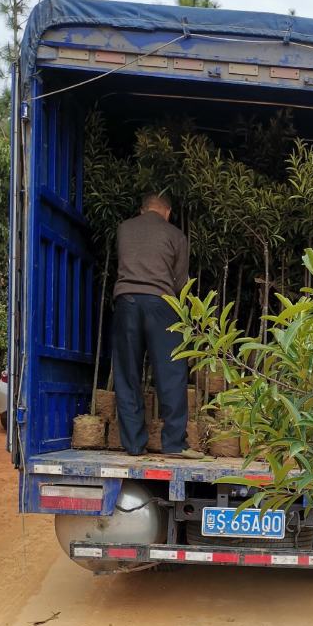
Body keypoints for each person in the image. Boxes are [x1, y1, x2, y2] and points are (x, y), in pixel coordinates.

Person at [112, 192, 201, 458]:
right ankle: (174, 443)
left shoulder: (124, 228)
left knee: (127, 373)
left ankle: (134, 445)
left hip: (126, 301)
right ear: (168, 212)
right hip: (162, 304)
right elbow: (181, 282)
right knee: (171, 372)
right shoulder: (176, 235)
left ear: (142, 210)